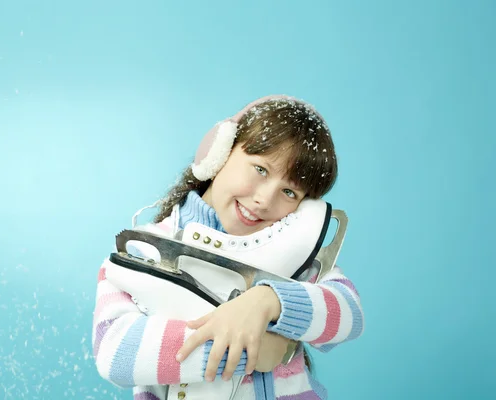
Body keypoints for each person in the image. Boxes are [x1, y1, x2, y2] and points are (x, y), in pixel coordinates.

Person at [92, 95, 364, 400]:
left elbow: (348, 313)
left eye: (289, 191)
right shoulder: (142, 251)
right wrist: (253, 348)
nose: (264, 200)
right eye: (260, 169)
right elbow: (116, 354)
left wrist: (267, 300)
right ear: (220, 153)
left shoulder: (295, 257)